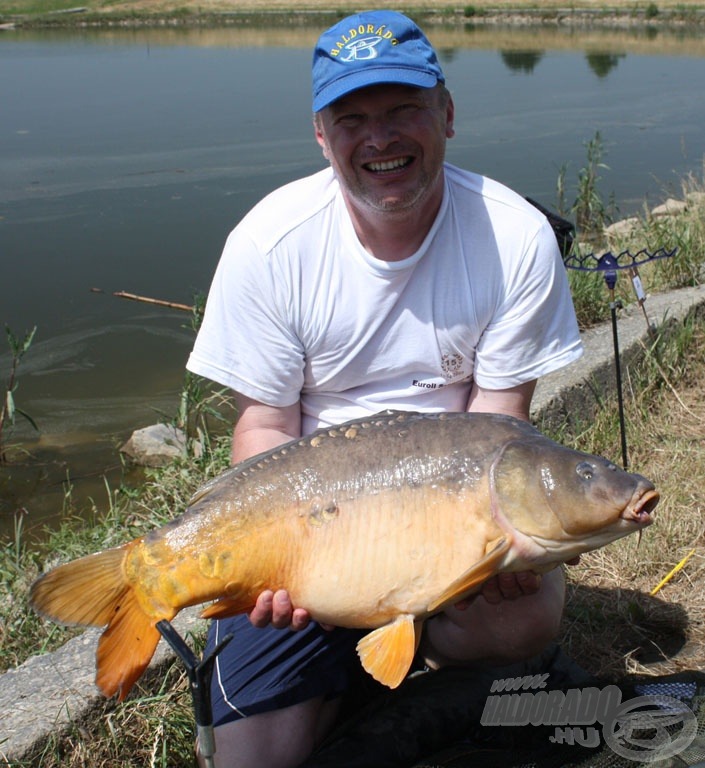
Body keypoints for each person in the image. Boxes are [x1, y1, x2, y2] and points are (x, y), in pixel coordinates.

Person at [186, 10, 584, 767]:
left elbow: (496, 431)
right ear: (320, 135)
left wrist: (493, 550)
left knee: (523, 618)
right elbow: (264, 428)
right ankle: (350, 665)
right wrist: (277, 563)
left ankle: (403, 651)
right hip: (310, 528)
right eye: (353, 118)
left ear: (446, 113)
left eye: (402, 109)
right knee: (255, 761)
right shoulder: (268, 245)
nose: (380, 139)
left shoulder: (512, 238)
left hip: (444, 509)